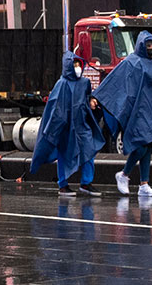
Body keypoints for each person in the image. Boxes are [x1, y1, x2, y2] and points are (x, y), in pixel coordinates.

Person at [92, 31, 152, 201]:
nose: (151, 48)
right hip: (136, 111)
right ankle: (124, 173)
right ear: (142, 45)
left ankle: (144, 184)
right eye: (148, 45)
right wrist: (98, 96)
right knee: (142, 145)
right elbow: (114, 81)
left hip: (151, 111)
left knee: (149, 145)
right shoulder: (130, 62)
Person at [26, 52, 100, 195]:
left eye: (79, 65)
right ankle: (63, 184)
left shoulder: (84, 83)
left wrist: (91, 101)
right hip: (66, 127)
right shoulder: (62, 84)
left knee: (89, 152)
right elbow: (55, 109)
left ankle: (86, 183)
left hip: (81, 124)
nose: (77, 68)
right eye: (74, 65)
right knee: (63, 154)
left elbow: (87, 98)